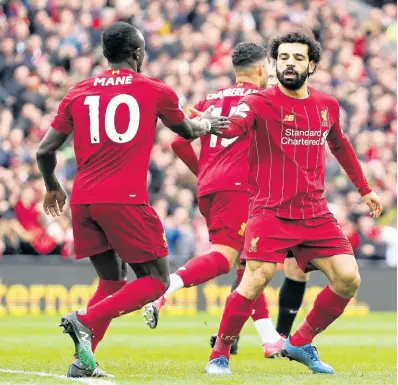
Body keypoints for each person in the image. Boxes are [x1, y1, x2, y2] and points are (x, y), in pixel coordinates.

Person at [36, 22, 226, 379]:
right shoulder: (154, 90)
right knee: (155, 281)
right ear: (137, 54)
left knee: (111, 281)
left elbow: (45, 150)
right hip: (124, 200)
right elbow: (187, 130)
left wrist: (51, 186)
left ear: (107, 54)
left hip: (84, 201)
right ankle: (85, 320)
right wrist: (209, 125)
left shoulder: (79, 92)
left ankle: (83, 362)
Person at [205, 30, 382, 375]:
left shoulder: (327, 105)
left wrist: (364, 189)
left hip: (314, 212)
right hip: (270, 210)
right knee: (256, 278)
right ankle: (220, 353)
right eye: (283, 57)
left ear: (311, 64)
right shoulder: (259, 102)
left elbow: (341, 145)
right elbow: (234, 125)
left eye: (298, 58)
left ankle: (299, 342)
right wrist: (208, 124)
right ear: (274, 63)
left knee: (348, 278)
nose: (289, 63)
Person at [143, 42, 285, 358]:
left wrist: (205, 172)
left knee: (250, 262)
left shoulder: (211, 99)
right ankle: (165, 289)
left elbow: (179, 143)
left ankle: (268, 337)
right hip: (240, 189)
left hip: (211, 189)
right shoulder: (262, 99)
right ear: (262, 70)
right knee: (225, 258)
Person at [208, 62, 310, 354]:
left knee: (296, 270)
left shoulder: (301, 106)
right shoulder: (261, 103)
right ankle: (233, 336)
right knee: (249, 266)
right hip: (264, 197)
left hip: (298, 196)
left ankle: (281, 336)